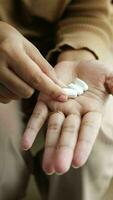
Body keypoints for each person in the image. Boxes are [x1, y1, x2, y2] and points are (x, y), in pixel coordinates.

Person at [0, 0, 113, 200]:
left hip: (66, 48)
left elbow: (91, 11)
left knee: (91, 139)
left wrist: (79, 53)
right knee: (3, 154)